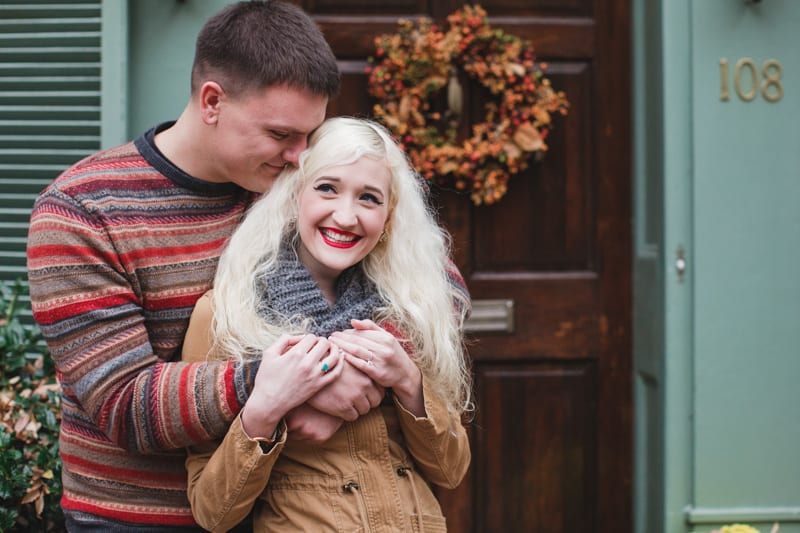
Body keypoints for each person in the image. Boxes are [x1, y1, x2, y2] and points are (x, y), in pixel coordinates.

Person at [25, 2, 391, 530]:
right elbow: (127, 405)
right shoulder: (84, 208)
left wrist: (359, 367)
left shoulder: (291, 188)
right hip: (134, 519)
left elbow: (427, 281)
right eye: (282, 134)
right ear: (213, 101)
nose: (299, 155)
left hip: (275, 509)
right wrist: (295, 384)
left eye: (310, 135)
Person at [181, 117, 473, 532]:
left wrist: (407, 381)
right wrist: (268, 409)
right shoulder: (230, 313)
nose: (347, 215)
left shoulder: (409, 310)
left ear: (388, 217)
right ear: (296, 194)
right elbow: (213, 512)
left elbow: (451, 470)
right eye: (327, 188)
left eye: (369, 198)